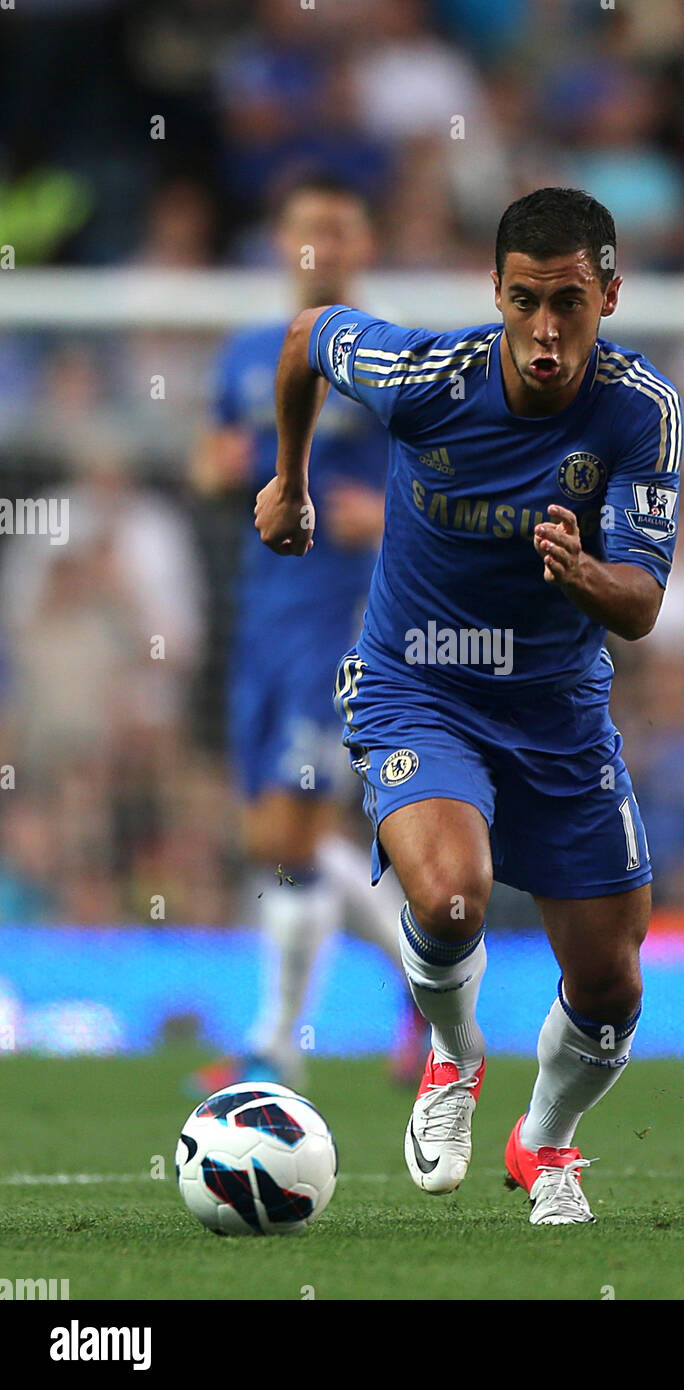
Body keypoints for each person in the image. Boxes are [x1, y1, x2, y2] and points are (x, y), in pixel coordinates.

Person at [255, 187, 684, 1224]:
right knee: (452, 896)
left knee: (612, 986)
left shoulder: (640, 412)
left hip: (558, 709)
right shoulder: (425, 377)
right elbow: (309, 336)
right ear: (493, 290)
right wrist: (292, 482)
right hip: (418, 683)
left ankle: (544, 1142)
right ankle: (452, 1054)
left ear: (609, 295)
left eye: (570, 303)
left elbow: (641, 606)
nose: (546, 330)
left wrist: (582, 573)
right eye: (526, 300)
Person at [193, 175, 422, 1092]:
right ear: (283, 243)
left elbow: (439, 483)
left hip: (348, 619)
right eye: (306, 230)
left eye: (339, 229)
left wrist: (382, 513)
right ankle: (431, 977)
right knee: (271, 838)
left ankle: (275, 1044)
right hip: (263, 619)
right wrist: (222, 472)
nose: (322, 246)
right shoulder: (249, 354)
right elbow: (209, 460)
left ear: (365, 244)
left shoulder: (394, 358)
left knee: (295, 832)